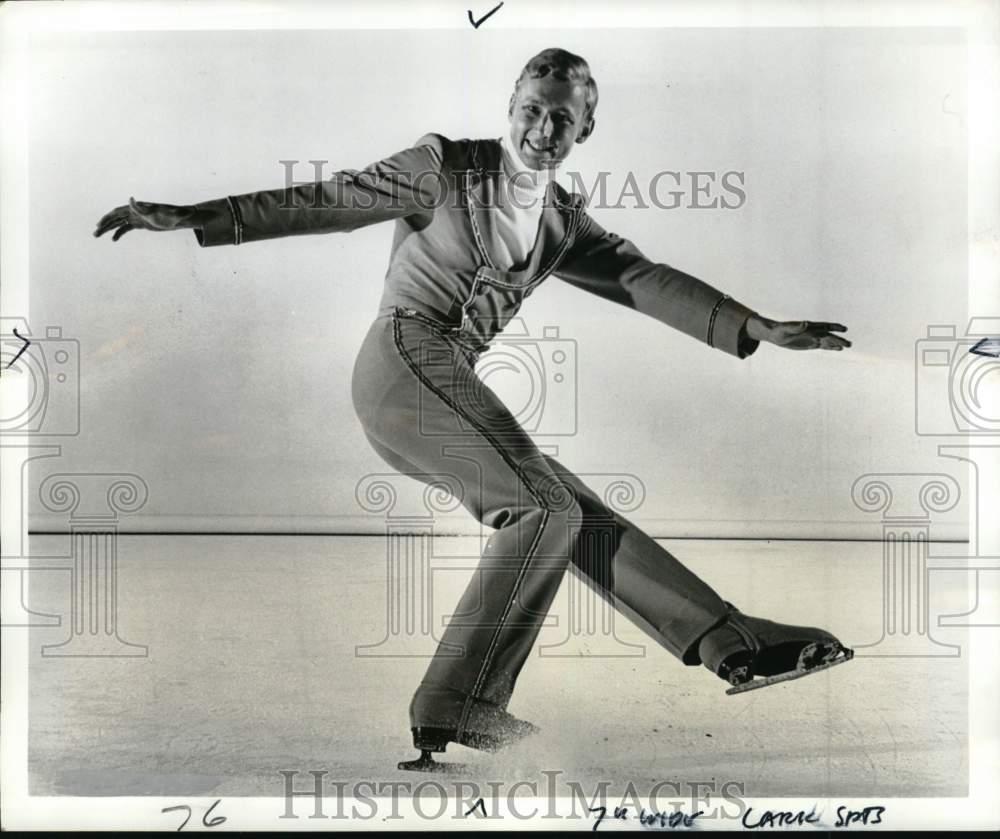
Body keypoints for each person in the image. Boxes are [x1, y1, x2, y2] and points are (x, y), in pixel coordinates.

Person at [94, 48, 854, 773]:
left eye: (561, 118)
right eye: (531, 110)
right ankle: (461, 702)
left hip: (443, 380)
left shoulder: (562, 221)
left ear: (585, 127)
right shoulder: (444, 167)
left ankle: (731, 640)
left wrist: (755, 325)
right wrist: (200, 214)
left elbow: (640, 276)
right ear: (510, 106)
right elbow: (331, 200)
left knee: (569, 510)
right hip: (400, 361)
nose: (541, 129)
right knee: (541, 509)